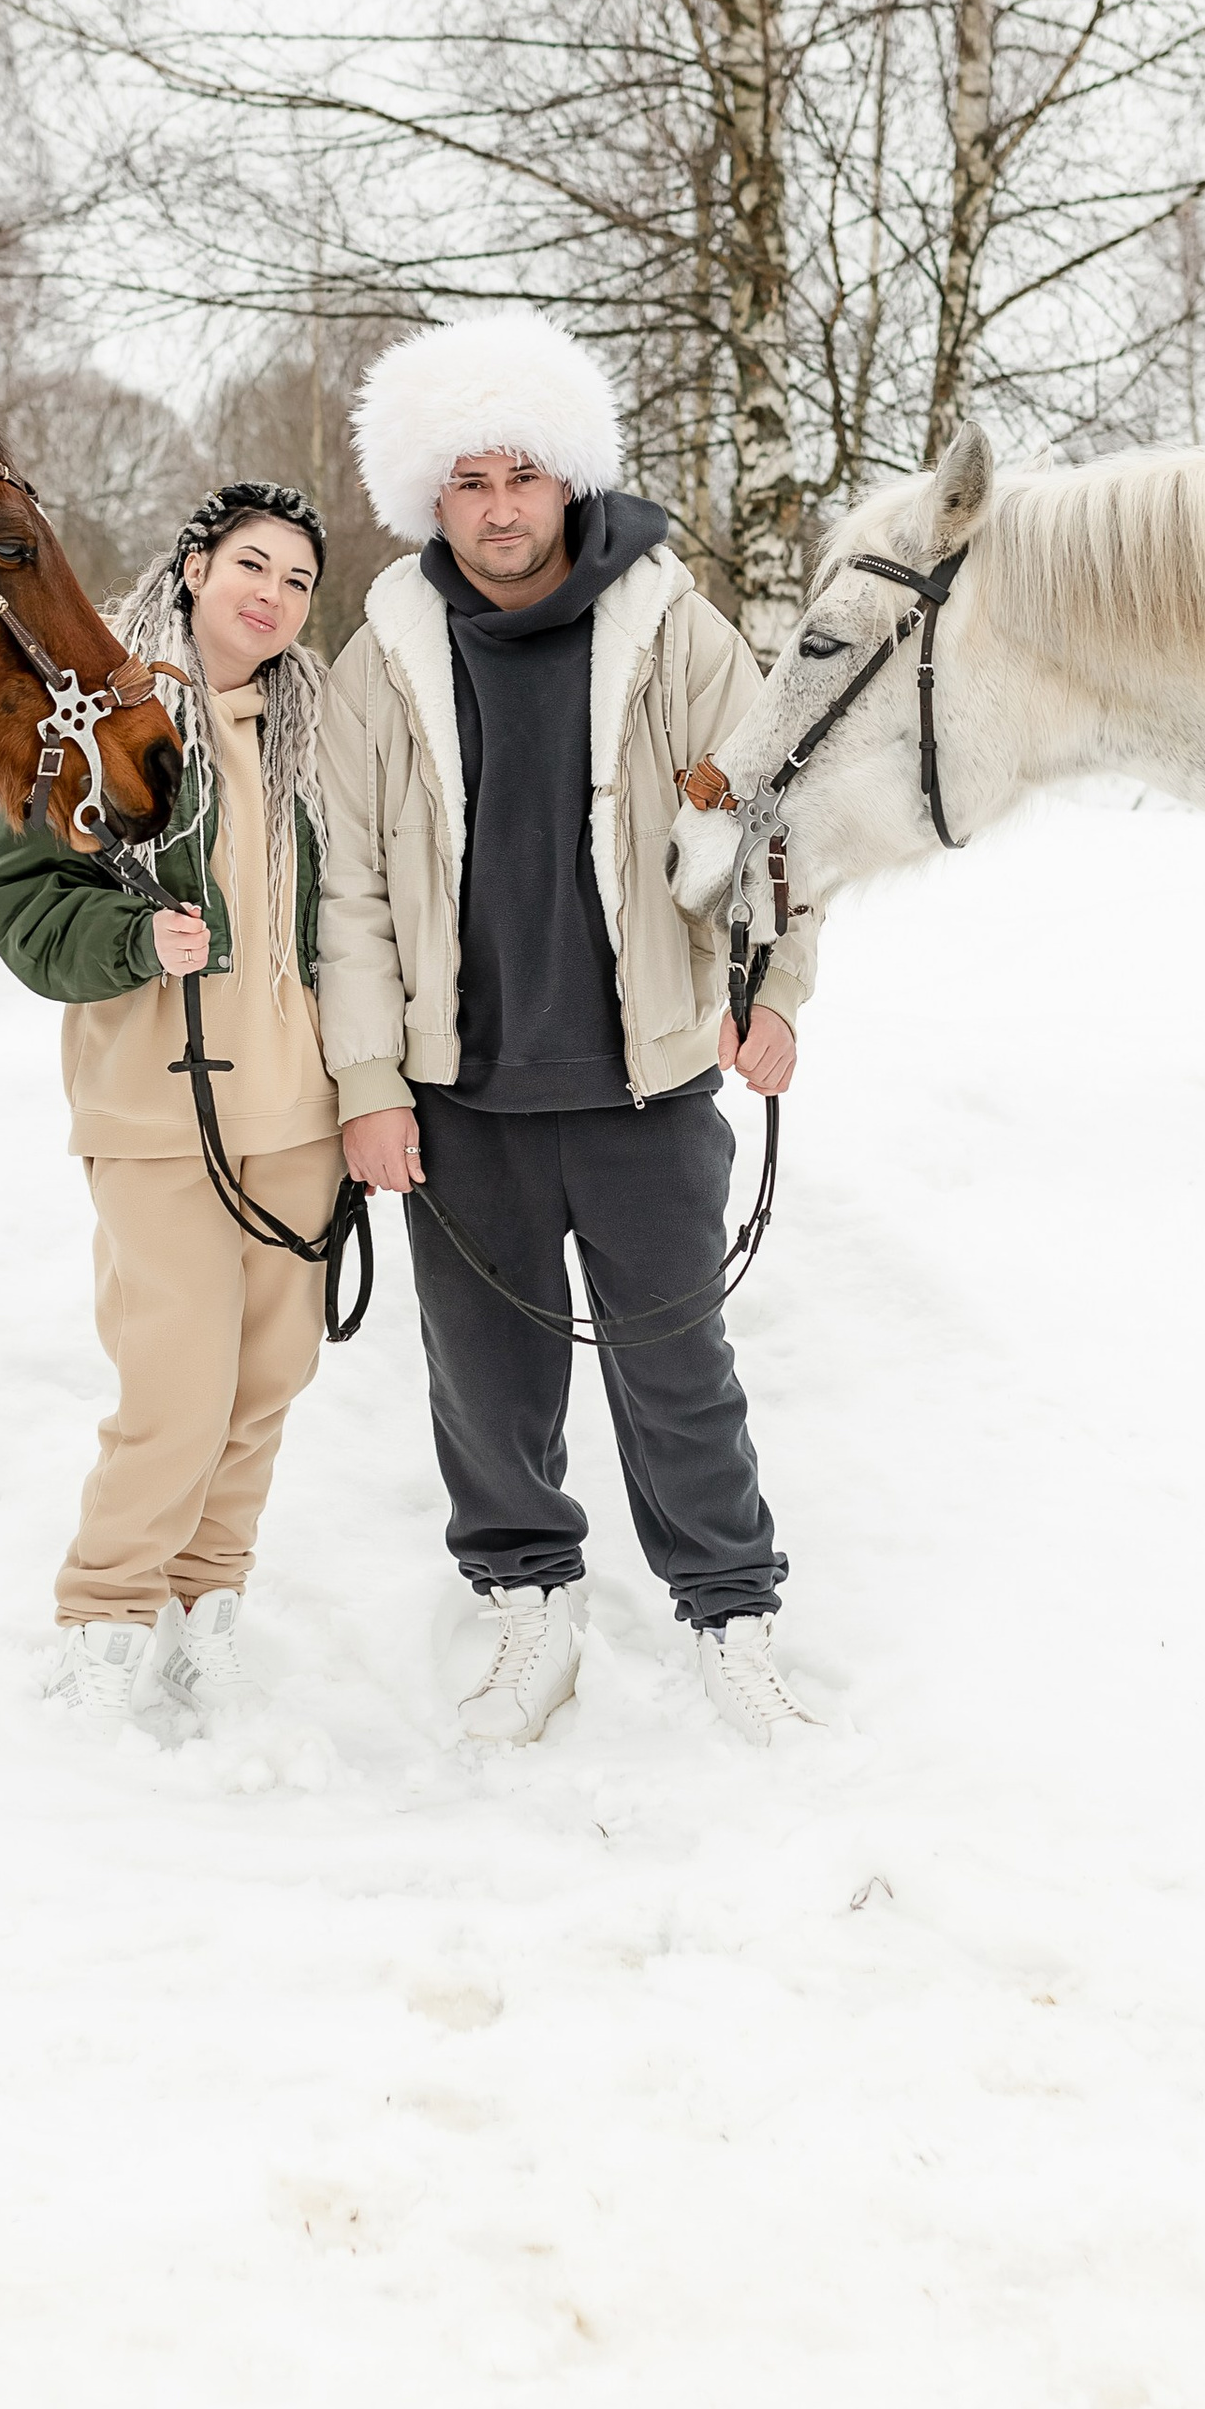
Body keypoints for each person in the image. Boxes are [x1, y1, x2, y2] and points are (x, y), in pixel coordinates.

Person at [318, 312, 824, 1749]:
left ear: (569, 481)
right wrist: (369, 1080)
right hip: (458, 1095)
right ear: (432, 495)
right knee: (485, 1382)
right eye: (467, 481)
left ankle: (731, 1616)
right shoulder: (384, 657)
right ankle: (531, 1605)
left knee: (678, 1368)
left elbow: (774, 823)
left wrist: (776, 991)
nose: (497, 506)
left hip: (645, 1083)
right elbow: (346, 892)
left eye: (520, 476)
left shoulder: (675, 627)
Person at [0, 481, 338, 1723]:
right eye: (252, 564)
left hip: (299, 1114)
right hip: (159, 1111)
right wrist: (138, 939)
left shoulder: (316, 730)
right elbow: (23, 908)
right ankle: (102, 1617)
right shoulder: (98, 712)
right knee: (175, 1384)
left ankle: (207, 1605)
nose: (273, 596)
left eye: (298, 580)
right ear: (194, 566)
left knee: (264, 1382)